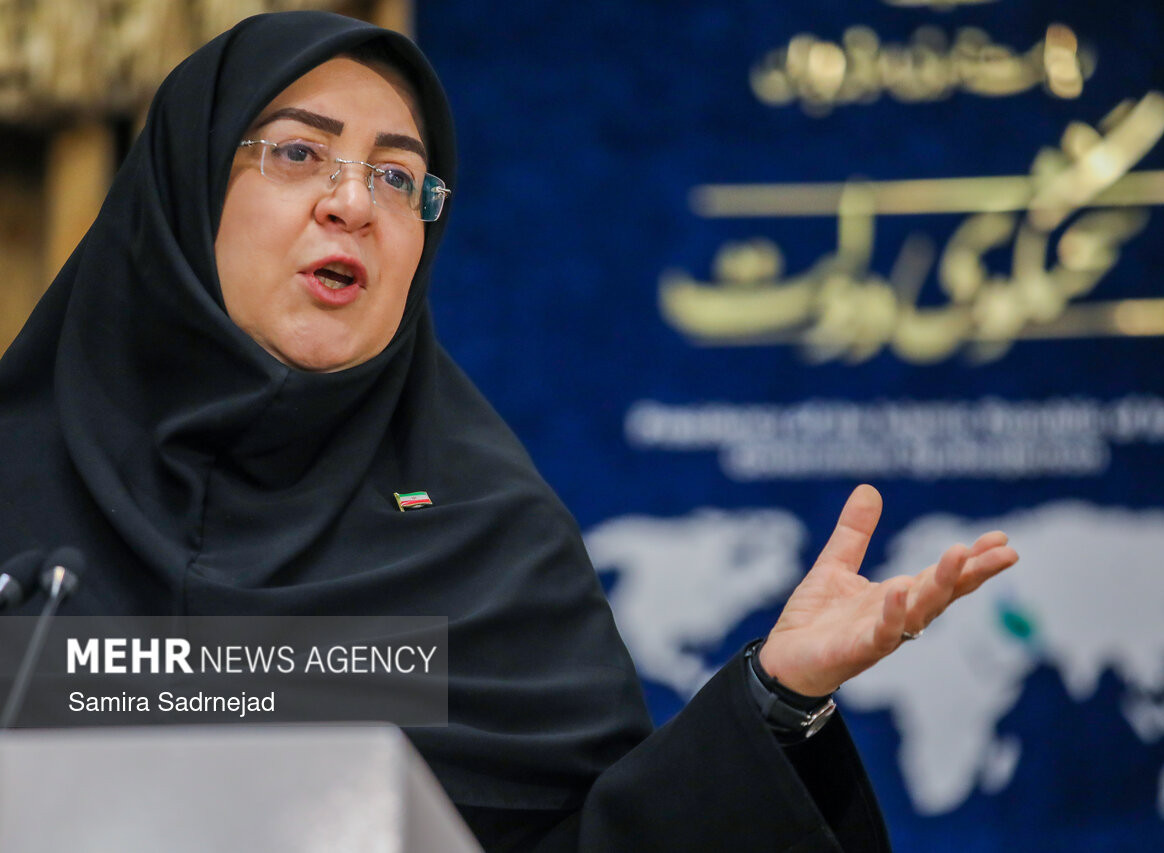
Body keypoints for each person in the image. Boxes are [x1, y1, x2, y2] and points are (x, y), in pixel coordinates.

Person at [0, 11, 1017, 851]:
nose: (352, 202)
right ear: (185, 188)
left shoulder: (491, 540)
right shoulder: (17, 487)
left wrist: (774, 700)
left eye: (398, 177)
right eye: (300, 152)